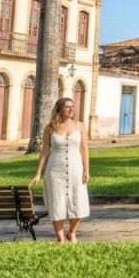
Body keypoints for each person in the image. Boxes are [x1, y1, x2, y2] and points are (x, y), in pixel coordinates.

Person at [29, 97, 90, 242]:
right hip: (54, 170)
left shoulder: (80, 126)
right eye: (68, 107)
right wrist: (38, 173)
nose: (71, 109)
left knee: (77, 199)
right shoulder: (50, 128)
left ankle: (72, 233)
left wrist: (86, 170)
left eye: (72, 107)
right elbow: (44, 152)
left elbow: (84, 149)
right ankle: (61, 237)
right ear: (60, 109)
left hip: (76, 168)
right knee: (56, 201)